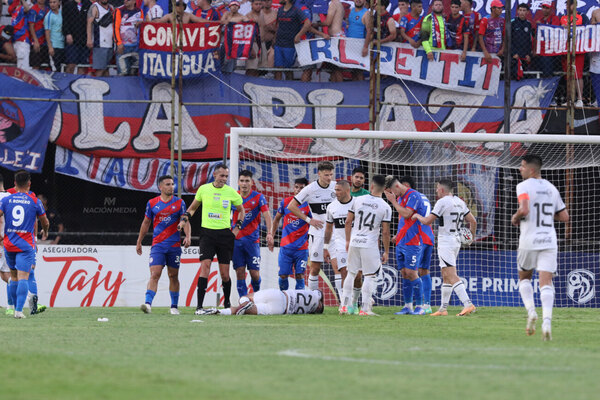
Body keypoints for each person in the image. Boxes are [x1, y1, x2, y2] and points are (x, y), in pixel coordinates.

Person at [511, 155, 569, 341]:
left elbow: (525, 209)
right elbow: (565, 216)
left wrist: (515, 217)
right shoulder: (551, 188)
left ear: (531, 169)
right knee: (546, 283)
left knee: (524, 278)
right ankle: (547, 322)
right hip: (549, 240)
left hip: (529, 239)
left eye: (522, 166)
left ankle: (531, 311)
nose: (520, 169)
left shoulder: (523, 186)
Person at [177, 164, 245, 315]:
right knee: (205, 268)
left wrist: (236, 229)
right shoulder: (204, 189)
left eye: (226, 176)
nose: (224, 179)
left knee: (225, 274)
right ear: (214, 175)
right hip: (207, 234)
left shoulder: (231, 192)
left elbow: (241, 211)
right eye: (222, 176)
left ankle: (227, 304)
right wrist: (184, 220)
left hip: (225, 235)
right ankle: (199, 307)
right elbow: (193, 208)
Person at [412, 178, 477, 317]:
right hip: (456, 241)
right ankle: (443, 309)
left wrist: (417, 216)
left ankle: (467, 304)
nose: (436, 191)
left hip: (446, 241)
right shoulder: (460, 202)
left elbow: (428, 221)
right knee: (445, 274)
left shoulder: (442, 202)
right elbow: (473, 221)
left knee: (451, 274)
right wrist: (471, 237)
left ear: (442, 189)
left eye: (437, 188)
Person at [136, 175, 191, 315]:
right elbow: (146, 222)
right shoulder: (152, 203)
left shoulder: (179, 203)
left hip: (174, 245)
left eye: (172, 184)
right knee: (155, 274)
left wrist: (188, 236)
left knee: (173, 276)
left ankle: (174, 306)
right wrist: (139, 241)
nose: (171, 187)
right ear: (160, 187)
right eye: (167, 184)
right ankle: (148, 304)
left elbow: (185, 220)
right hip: (158, 245)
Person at [0, 170, 49, 319]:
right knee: (24, 277)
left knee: (13, 277)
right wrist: (45, 231)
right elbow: (44, 221)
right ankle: (19, 311)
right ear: (29, 183)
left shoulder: (7, 200)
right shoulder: (34, 201)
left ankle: (13, 307)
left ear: (14, 183)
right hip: (26, 246)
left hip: (8, 245)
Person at [340, 174, 391, 316]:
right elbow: (386, 232)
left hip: (355, 241)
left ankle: (344, 306)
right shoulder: (386, 207)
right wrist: (386, 251)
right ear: (385, 189)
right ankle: (365, 309)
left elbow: (348, 221)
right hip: (369, 243)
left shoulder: (357, 200)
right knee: (369, 276)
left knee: (351, 273)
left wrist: (348, 240)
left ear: (371, 186)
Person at [287, 161, 336, 291]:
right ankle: (315, 300)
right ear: (319, 173)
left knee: (339, 268)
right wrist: (309, 220)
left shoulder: (336, 187)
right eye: (326, 175)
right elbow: (291, 206)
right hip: (318, 233)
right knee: (315, 268)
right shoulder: (310, 189)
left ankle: (344, 303)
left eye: (331, 174)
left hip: (336, 234)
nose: (329, 178)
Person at [384, 176, 423, 315]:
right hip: (401, 241)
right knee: (405, 274)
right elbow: (404, 222)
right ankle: (408, 306)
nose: (391, 195)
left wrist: (393, 202)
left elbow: (407, 214)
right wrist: (398, 236)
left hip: (413, 242)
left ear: (396, 187)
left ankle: (420, 306)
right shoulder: (400, 198)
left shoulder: (413, 195)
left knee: (412, 273)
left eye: (390, 192)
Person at [232, 170, 274, 298]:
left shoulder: (258, 197)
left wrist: (270, 233)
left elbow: (267, 216)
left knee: (254, 274)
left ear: (252, 183)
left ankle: (256, 296)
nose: (244, 184)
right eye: (242, 181)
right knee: (239, 271)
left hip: (252, 241)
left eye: (247, 181)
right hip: (236, 241)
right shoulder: (233, 196)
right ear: (238, 182)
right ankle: (244, 301)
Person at [400, 176, 434, 314]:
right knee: (424, 271)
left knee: (410, 272)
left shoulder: (410, 199)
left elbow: (407, 219)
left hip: (416, 238)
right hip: (428, 236)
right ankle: (427, 305)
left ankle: (412, 306)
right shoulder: (424, 197)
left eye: (402, 186)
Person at [271, 178, 310, 291]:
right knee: (283, 275)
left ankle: (299, 303)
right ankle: (284, 300)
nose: (298, 190)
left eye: (301, 188)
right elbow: (277, 219)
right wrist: (271, 235)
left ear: (306, 189)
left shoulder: (309, 206)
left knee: (300, 275)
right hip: (286, 247)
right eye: (296, 187)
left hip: (301, 248)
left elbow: (314, 224)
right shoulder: (285, 202)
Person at [323, 181, 355, 304]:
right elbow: (329, 228)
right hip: (341, 244)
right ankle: (345, 303)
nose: (336, 193)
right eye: (335, 190)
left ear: (347, 190)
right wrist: (325, 247)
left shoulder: (357, 203)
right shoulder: (331, 207)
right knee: (344, 273)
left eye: (338, 190)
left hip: (357, 243)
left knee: (357, 275)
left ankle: (356, 299)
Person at [273, 0, 312, 81]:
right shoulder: (280, 10)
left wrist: (298, 35)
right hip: (278, 43)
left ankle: (290, 86)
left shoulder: (296, 10)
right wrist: (274, 38)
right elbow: (278, 25)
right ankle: (277, 87)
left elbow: (307, 23)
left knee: (288, 69)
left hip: (290, 45)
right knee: (277, 68)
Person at [211, 288, 324, 315]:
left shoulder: (315, 295)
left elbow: (320, 292)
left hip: (279, 294)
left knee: (245, 297)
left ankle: (244, 303)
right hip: (281, 309)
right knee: (247, 311)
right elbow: (319, 306)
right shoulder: (312, 310)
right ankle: (220, 312)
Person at [560, 2, 587, 107]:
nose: (568, 6)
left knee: (578, 74)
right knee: (568, 76)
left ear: (575, 5)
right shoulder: (562, 18)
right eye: (566, 4)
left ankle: (580, 99)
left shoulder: (581, 17)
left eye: (570, 4)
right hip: (565, 50)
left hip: (578, 49)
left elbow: (586, 30)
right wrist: (562, 28)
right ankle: (570, 99)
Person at [86, 0, 115, 77]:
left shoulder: (111, 8)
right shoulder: (95, 7)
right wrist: (89, 39)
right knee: (100, 69)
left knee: (106, 69)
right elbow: (89, 23)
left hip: (110, 43)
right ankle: (97, 86)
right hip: (100, 43)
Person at [63, 0, 92, 74]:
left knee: (82, 66)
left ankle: (78, 83)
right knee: (71, 64)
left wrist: (89, 38)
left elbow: (91, 22)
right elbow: (64, 21)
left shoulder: (88, 4)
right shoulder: (67, 4)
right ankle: (67, 83)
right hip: (72, 40)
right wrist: (68, 33)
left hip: (84, 40)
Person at [114, 0, 142, 76]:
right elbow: (115, 28)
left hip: (136, 47)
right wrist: (119, 43)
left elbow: (142, 28)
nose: (125, 1)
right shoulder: (119, 10)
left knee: (135, 72)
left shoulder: (139, 11)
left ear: (134, 1)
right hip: (123, 47)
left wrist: (141, 23)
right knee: (123, 72)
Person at [532, 2, 559, 79]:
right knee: (537, 72)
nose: (545, 10)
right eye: (543, 7)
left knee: (547, 74)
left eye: (547, 8)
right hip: (540, 51)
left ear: (551, 9)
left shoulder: (555, 18)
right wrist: (534, 49)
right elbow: (536, 37)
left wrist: (542, 26)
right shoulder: (540, 20)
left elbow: (554, 31)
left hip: (550, 51)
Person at [346, 0, 371, 81]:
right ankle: (355, 90)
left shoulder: (366, 13)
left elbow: (369, 32)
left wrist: (365, 47)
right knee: (353, 70)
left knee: (359, 71)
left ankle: (361, 89)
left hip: (359, 46)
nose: (358, 0)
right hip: (350, 44)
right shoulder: (351, 11)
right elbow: (350, 25)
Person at [0, 174, 13, 314]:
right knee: (6, 274)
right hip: (10, 240)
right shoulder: (10, 197)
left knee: (5, 274)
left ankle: (28, 296)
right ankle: (11, 306)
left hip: (0, 241)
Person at [10, 0, 34, 70]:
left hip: (22, 41)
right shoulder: (14, 11)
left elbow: (27, 8)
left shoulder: (22, 8)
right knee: (19, 67)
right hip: (15, 40)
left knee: (23, 68)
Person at [28, 0, 50, 70]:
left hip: (45, 42)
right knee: (36, 66)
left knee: (47, 66)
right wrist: (35, 41)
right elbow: (31, 26)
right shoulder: (33, 10)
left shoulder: (48, 10)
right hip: (37, 42)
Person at [44, 0, 65, 71]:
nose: (52, 4)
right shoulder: (49, 16)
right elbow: (47, 32)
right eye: (50, 2)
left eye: (54, 2)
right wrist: (50, 47)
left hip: (62, 44)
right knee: (56, 69)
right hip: (54, 46)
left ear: (59, 2)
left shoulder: (62, 13)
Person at [591, 8, 600, 106]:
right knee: (596, 76)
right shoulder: (596, 12)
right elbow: (591, 29)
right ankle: (598, 99)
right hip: (597, 48)